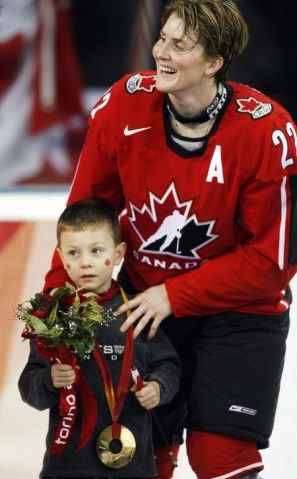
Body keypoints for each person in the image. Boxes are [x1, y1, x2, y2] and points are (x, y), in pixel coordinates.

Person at [43, 1, 297, 478]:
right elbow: (83, 219)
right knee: (135, 452)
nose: (160, 51)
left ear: (214, 62)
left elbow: (272, 263)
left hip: (240, 313)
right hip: (147, 306)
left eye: (179, 45)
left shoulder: (267, 131)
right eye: (163, 37)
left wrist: (175, 295)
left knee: (219, 455)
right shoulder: (124, 105)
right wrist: (58, 308)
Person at [18, 198, 181, 479]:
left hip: (130, 466)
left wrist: (159, 387)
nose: (86, 263)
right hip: (67, 467)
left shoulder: (137, 310)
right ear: (61, 256)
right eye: (74, 253)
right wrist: (49, 379)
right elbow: (29, 387)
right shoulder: (55, 316)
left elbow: (170, 366)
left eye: (96, 251)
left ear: (118, 254)